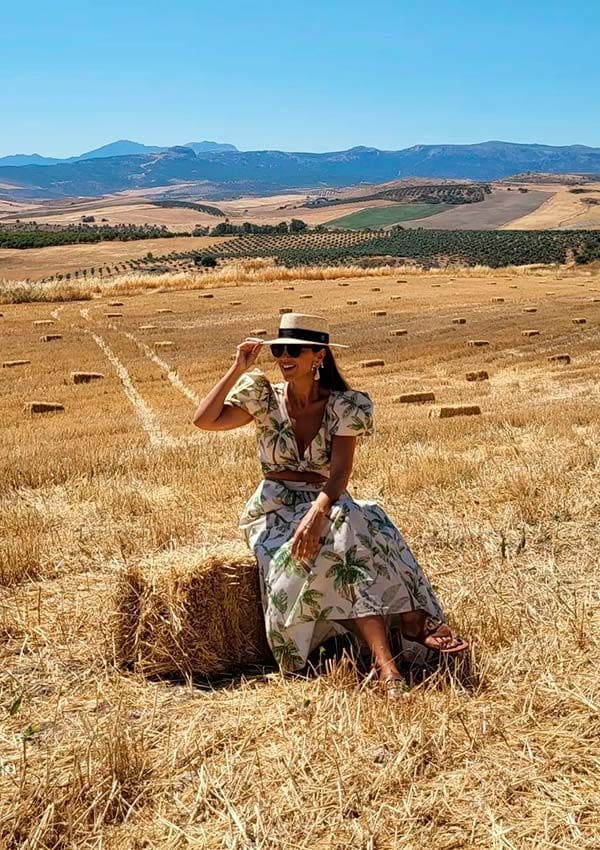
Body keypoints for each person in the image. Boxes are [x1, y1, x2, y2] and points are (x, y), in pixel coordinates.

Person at [193, 313, 468, 696]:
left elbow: (339, 475)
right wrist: (237, 367)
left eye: (294, 350)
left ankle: (386, 664)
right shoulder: (263, 396)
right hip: (275, 509)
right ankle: (410, 621)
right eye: (279, 350)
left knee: (353, 524)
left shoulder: (345, 405)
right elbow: (203, 420)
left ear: (318, 355)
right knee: (356, 526)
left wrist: (316, 514)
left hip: (327, 499)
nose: (284, 357)